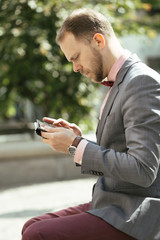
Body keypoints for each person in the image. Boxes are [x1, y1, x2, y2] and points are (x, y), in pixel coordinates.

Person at [22, 8, 160, 240]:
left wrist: (76, 146)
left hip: (136, 212)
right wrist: (78, 140)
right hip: (113, 202)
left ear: (98, 40)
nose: (75, 67)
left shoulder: (140, 82)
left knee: (38, 234)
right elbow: (123, 150)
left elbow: (143, 169)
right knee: (32, 224)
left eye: (75, 57)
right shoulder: (121, 81)